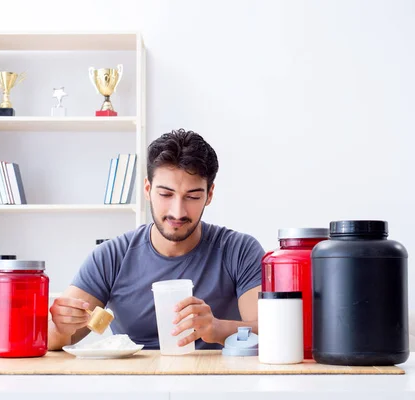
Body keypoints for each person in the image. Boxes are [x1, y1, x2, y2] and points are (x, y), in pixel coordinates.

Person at [48, 129, 265, 351]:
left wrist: (218, 329)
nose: (177, 212)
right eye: (165, 194)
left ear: (209, 195)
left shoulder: (239, 250)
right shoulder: (111, 256)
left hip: (213, 379)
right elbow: (51, 339)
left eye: (192, 197)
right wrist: (61, 327)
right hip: (136, 382)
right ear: (147, 189)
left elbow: (272, 331)